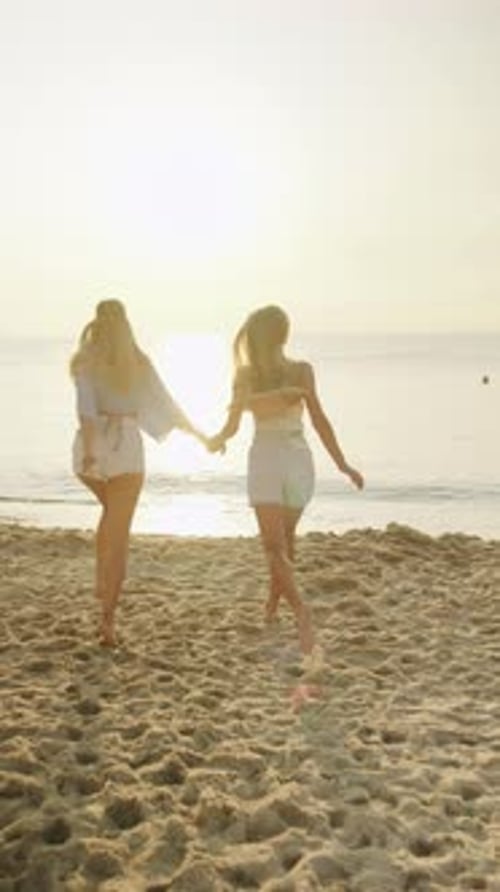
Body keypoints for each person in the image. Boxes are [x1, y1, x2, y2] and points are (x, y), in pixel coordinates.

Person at [207, 305, 364, 656]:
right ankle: (273, 605)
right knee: (283, 541)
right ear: (284, 334)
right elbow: (320, 420)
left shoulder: (247, 377)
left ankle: (301, 612)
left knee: (274, 546)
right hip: (298, 457)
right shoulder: (300, 372)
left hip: (267, 458)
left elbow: (234, 425)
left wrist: (219, 438)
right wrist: (342, 465)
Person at [70, 299, 205, 646]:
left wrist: (88, 453)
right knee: (119, 534)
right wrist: (200, 434)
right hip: (126, 446)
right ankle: (108, 621)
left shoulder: (86, 361)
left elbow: (85, 412)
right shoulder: (138, 362)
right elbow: (166, 403)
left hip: (94, 445)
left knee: (110, 514)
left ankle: (101, 578)